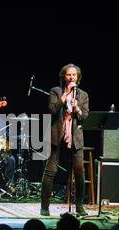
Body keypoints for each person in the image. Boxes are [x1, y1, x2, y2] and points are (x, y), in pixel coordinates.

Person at [40, 64, 89, 216]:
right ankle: (45, 206)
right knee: (51, 171)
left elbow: (85, 116)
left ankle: (79, 206)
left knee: (79, 171)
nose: (72, 77)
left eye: (74, 75)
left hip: (75, 136)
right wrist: (65, 95)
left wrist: (77, 109)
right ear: (64, 76)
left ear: (78, 77)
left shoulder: (83, 95)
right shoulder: (55, 91)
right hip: (57, 134)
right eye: (69, 75)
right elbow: (52, 109)